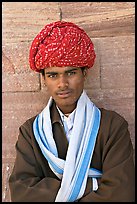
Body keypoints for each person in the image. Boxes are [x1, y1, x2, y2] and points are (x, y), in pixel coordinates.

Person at [9, 21, 135, 202]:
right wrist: (92, 185)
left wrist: (60, 190)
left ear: (84, 73)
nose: (62, 84)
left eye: (71, 73)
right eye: (53, 75)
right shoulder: (30, 132)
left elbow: (121, 192)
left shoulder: (112, 126)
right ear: (44, 79)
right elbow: (22, 191)